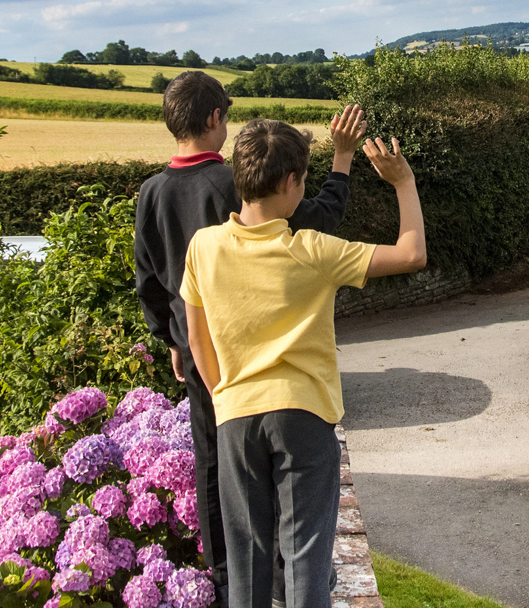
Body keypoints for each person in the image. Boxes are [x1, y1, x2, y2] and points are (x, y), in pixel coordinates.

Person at [132, 71, 368, 607]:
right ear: (215, 118)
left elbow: (148, 279)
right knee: (277, 473)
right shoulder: (234, 184)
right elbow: (318, 221)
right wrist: (341, 163)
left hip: (200, 355)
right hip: (249, 355)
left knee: (215, 467)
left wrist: (172, 340)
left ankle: (227, 579)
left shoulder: (151, 192)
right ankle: (288, 577)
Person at [182, 121, 427, 608]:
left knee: (247, 567)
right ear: (291, 182)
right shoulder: (313, 251)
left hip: (235, 417)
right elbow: (412, 254)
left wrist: (223, 397)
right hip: (303, 419)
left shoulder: (203, 247)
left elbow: (196, 338)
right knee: (305, 565)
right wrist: (404, 182)